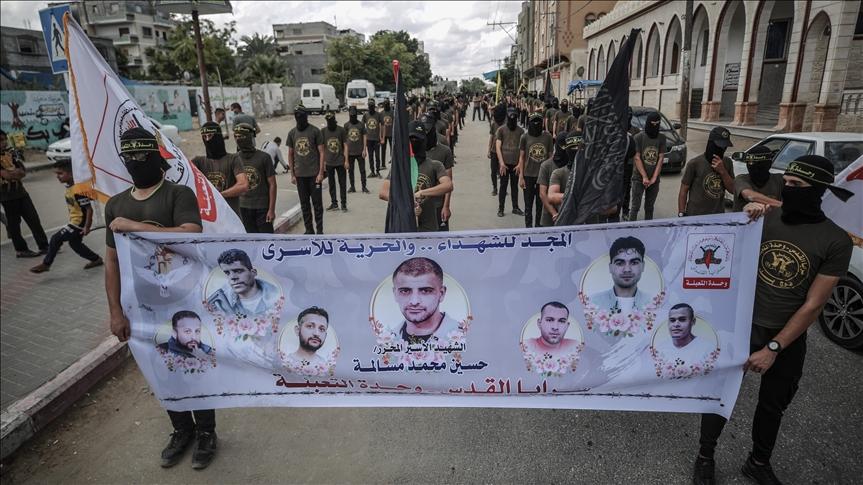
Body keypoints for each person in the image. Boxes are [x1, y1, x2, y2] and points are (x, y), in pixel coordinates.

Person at [693, 154, 853, 485]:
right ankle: (705, 457)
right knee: (719, 395)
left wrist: (775, 347)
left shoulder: (835, 240)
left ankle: (758, 461)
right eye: (787, 183)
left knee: (772, 405)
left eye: (797, 185)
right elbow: (722, 251)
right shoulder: (766, 219)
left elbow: (813, 305)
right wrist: (745, 219)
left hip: (787, 337)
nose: (788, 190)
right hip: (742, 326)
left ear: (818, 190)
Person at [103, 127, 216, 470]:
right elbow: (111, 262)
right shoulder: (116, 205)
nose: (137, 163)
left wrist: (135, 228)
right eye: (130, 158)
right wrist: (114, 312)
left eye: (142, 156)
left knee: (193, 365)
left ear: (155, 157)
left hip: (184, 301)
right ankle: (181, 430)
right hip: (143, 309)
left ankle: (207, 432)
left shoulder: (177, 194)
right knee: (163, 370)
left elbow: (189, 234)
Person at [29, 160, 103, 273]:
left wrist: (87, 227)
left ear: (71, 173)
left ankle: (46, 264)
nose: (58, 177)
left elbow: (89, 209)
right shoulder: (70, 186)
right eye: (57, 174)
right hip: (75, 221)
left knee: (55, 239)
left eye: (60, 173)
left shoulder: (78, 190)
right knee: (75, 244)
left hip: (78, 224)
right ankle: (96, 259)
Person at [379, 121, 453, 232]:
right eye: (411, 139)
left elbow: (448, 185)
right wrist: (407, 203)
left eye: (418, 140)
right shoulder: (400, 168)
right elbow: (383, 192)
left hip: (428, 227)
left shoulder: (434, 165)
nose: (415, 142)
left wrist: (422, 193)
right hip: (404, 226)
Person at [391, 257, 461, 345]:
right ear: (395, 294)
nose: (414, 302)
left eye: (425, 291)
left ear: (442, 293)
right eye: (405, 291)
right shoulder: (386, 340)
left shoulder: (465, 336)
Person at [0, 129, 49, 257]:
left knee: (34, 219)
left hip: (22, 193)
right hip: (7, 196)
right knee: (14, 225)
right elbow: (7, 176)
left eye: (5, 139)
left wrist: (13, 173)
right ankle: (21, 250)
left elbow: (22, 171)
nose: (4, 142)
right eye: (1, 140)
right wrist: (14, 173)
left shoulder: (11, 153)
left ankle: (44, 246)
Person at [191, 122, 248, 216]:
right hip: (211, 220)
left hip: (231, 217)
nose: (208, 140)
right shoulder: (199, 162)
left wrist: (220, 195)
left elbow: (243, 185)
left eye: (210, 136)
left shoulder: (233, 159)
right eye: (204, 137)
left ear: (218, 137)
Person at [679, 126, 735, 217]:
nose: (722, 149)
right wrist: (681, 213)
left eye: (725, 147)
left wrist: (723, 171)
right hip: (695, 215)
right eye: (719, 146)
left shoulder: (727, 163)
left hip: (718, 216)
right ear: (711, 144)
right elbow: (683, 190)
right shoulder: (695, 163)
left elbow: (733, 190)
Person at [206, 248, 281, 317]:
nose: (232, 277)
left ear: (253, 273)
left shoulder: (276, 298)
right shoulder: (220, 303)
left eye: (238, 271)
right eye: (227, 273)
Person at [287, 105, 325, 234]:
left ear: (306, 116)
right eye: (297, 116)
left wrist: (321, 173)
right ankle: (309, 229)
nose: (299, 118)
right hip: (300, 176)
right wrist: (292, 174)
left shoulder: (315, 131)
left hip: (314, 175)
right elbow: (290, 154)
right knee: (305, 205)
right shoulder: (292, 133)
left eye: (301, 116)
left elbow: (322, 152)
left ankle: (319, 230)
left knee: (317, 205)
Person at [588, 236, 653, 313]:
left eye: (634, 263)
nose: (627, 269)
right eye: (620, 263)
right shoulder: (593, 303)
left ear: (643, 266)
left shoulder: (654, 303)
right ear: (610, 267)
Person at [235, 123, 276, 233]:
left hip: (262, 207)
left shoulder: (264, 157)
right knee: (250, 241)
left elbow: (272, 184)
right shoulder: (235, 158)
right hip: (243, 208)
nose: (238, 139)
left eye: (242, 136)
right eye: (236, 137)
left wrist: (271, 210)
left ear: (250, 137)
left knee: (267, 241)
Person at [518, 112, 553, 227]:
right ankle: (528, 229)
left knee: (540, 205)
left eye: (539, 121)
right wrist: (521, 177)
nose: (536, 123)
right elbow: (522, 158)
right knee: (528, 206)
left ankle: (538, 227)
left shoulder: (547, 137)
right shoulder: (524, 137)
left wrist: (550, 177)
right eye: (534, 121)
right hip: (528, 176)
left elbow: (550, 157)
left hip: (542, 178)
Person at [629, 112, 666, 221]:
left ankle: (648, 229)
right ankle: (631, 228)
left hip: (654, 179)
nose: (654, 126)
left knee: (649, 207)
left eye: (657, 124)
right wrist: (644, 177)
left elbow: (660, 158)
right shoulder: (639, 137)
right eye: (652, 124)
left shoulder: (661, 138)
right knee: (635, 207)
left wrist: (654, 178)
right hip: (638, 177)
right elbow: (637, 158)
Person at [422, 114, 455, 231]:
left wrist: (446, 206)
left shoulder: (444, 150)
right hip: (420, 206)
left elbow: (449, 182)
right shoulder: (415, 151)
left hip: (437, 204)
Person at [732, 145, 783, 212]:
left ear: (769, 165)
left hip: (770, 222)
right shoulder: (741, 179)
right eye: (751, 165)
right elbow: (750, 196)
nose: (755, 170)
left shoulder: (779, 180)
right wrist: (782, 206)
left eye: (760, 166)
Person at [543, 133, 580, 226]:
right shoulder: (556, 171)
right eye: (573, 148)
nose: (576, 152)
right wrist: (554, 213)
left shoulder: (592, 174)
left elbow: (610, 206)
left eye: (579, 148)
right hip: (558, 218)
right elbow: (548, 195)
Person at [495, 107, 525, 218]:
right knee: (503, 186)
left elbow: (522, 150)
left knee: (514, 187)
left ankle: (515, 207)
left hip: (516, 164)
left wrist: (519, 164)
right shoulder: (501, 130)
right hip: (504, 164)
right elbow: (498, 147)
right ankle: (501, 208)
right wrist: (501, 163)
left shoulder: (521, 131)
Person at [322, 111, 349, 212]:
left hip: (340, 161)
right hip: (329, 163)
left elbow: (345, 145)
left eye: (331, 120)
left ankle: (344, 204)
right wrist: (323, 163)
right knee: (331, 184)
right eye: (328, 121)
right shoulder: (323, 131)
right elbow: (322, 148)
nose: (330, 123)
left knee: (342, 184)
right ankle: (334, 203)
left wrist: (346, 160)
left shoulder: (341, 130)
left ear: (334, 120)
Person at [344, 106, 369, 194]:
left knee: (362, 170)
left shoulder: (361, 124)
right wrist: (345, 156)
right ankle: (352, 187)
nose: (352, 117)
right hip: (350, 152)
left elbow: (365, 136)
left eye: (354, 115)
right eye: (351, 115)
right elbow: (345, 141)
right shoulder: (346, 125)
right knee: (350, 171)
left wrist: (364, 149)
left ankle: (364, 187)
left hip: (359, 151)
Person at [487, 103, 507, 197]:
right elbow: (491, 137)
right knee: (493, 170)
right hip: (494, 150)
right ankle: (495, 188)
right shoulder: (494, 124)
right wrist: (488, 150)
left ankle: (503, 188)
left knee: (503, 170)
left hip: (504, 151)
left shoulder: (507, 123)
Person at [363, 99, 382, 177]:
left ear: (374, 107)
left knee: (377, 156)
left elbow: (381, 126)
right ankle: (372, 171)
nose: (371, 108)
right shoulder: (366, 115)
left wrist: (381, 137)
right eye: (370, 107)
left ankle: (378, 171)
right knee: (370, 156)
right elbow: (362, 125)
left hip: (376, 139)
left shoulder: (378, 115)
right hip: (369, 139)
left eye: (372, 107)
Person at [380, 100, 394, 168]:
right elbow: (379, 125)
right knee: (383, 149)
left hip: (391, 133)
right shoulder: (381, 113)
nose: (386, 106)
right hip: (384, 135)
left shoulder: (393, 112)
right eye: (385, 105)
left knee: (392, 149)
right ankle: (383, 164)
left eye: (387, 105)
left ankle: (393, 161)